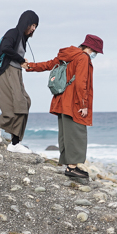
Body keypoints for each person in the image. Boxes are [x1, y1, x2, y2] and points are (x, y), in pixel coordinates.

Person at [25, 34, 104, 179]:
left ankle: (69, 165)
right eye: (96, 52)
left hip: (61, 101)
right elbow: (81, 83)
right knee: (77, 134)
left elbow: (48, 65)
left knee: (66, 134)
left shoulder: (68, 55)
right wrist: (83, 104)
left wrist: (30, 66)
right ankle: (72, 168)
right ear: (90, 48)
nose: (95, 54)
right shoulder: (83, 58)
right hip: (74, 103)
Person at [0, 10, 39, 153]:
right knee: (11, 109)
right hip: (4, 73)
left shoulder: (23, 38)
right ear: (25, 22)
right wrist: (21, 60)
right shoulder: (13, 33)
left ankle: (15, 143)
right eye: (32, 25)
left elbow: (15, 56)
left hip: (16, 74)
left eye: (36, 26)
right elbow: (5, 48)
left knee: (25, 102)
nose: (34, 29)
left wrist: (22, 62)